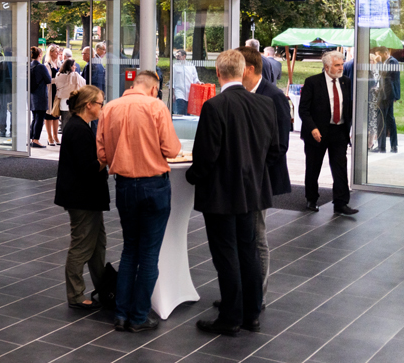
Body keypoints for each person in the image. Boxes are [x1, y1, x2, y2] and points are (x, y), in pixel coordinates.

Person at [187, 49, 278, 336]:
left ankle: (230, 317)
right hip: (251, 192)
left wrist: (191, 176)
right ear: (243, 71)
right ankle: (251, 314)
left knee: (226, 255)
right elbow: (274, 150)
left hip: (221, 195)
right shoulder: (265, 104)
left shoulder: (215, 106)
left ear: (218, 73)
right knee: (248, 252)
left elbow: (206, 155)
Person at [98, 70, 181, 333]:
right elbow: (172, 150)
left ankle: (121, 314)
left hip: (123, 185)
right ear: (154, 88)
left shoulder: (109, 108)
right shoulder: (156, 107)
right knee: (148, 254)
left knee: (129, 250)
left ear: (134, 84)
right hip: (154, 186)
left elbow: (101, 154)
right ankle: (139, 317)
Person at [237, 46, 291, 304]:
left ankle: (256, 297)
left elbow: (279, 145)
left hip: (261, 180)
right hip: (243, 180)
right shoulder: (241, 94)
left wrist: (254, 170)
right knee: (242, 237)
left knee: (257, 237)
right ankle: (239, 292)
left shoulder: (274, 96)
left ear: (248, 69)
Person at [55, 85, 109, 309]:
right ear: (89, 105)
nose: (102, 108)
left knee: (97, 245)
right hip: (82, 198)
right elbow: (88, 168)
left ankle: (103, 288)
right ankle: (76, 295)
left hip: (86, 197)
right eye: (100, 104)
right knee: (82, 246)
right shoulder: (78, 129)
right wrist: (106, 159)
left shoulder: (79, 126)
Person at [299, 51, 357, 215]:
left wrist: (350, 128)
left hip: (339, 131)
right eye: (337, 65)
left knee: (340, 167)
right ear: (326, 67)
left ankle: (341, 203)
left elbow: (348, 107)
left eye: (342, 64)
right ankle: (311, 199)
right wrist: (313, 128)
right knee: (313, 167)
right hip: (317, 132)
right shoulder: (312, 82)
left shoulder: (346, 82)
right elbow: (303, 109)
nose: (341, 68)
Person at [373, 47, 400, 153]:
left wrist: (379, 63)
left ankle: (382, 147)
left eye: (378, 55)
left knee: (382, 120)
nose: (377, 57)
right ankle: (392, 146)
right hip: (386, 94)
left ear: (385, 53)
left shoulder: (392, 62)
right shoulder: (389, 61)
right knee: (389, 120)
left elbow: (385, 75)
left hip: (386, 95)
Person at [53, 58, 85, 132]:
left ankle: (65, 138)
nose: (75, 67)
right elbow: (83, 84)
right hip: (73, 102)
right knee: (73, 124)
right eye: (74, 65)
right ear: (70, 66)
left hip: (62, 102)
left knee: (64, 123)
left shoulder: (58, 75)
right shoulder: (75, 75)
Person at [29, 46, 51, 149]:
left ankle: (31, 138)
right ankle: (36, 140)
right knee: (40, 118)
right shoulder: (41, 67)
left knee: (34, 118)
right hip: (41, 95)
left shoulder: (29, 66)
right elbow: (48, 80)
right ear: (40, 55)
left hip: (32, 95)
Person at [42, 45, 62, 146]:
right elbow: (48, 80)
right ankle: (49, 136)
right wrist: (58, 80)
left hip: (58, 91)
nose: (58, 54)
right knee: (49, 115)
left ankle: (55, 135)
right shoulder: (47, 65)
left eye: (58, 52)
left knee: (56, 115)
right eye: (56, 52)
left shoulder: (59, 63)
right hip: (50, 91)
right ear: (51, 53)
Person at [171, 50, 200, 115]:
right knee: (180, 111)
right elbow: (172, 81)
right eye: (176, 56)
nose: (177, 58)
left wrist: (199, 82)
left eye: (178, 56)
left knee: (187, 113)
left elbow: (195, 78)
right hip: (179, 92)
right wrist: (173, 94)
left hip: (189, 93)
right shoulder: (174, 67)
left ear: (184, 56)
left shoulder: (191, 66)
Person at [0, 47, 12, 138]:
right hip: (12, 90)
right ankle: (12, 130)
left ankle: (2, 131)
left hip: (2, 90)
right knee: (13, 111)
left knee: (2, 111)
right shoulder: (15, 64)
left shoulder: (0, 64)